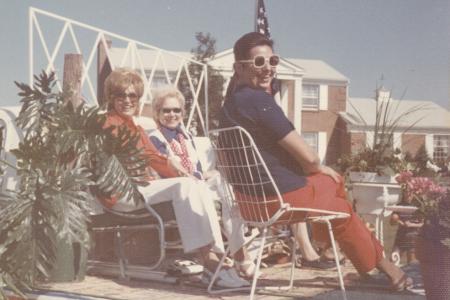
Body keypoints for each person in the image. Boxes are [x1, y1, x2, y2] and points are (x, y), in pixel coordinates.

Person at [219, 32, 413, 291]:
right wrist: (318, 166)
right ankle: (386, 269)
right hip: (275, 200)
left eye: (273, 61)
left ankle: (332, 251)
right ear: (239, 68)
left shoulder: (230, 106)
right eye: (258, 63)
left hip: (247, 200)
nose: (268, 69)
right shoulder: (259, 102)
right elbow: (310, 158)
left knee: (334, 188)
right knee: (339, 202)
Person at [99, 68, 247, 287]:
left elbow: (155, 158)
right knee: (186, 187)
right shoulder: (105, 124)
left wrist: (179, 169)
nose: (128, 100)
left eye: (133, 95)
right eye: (121, 95)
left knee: (192, 184)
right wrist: (173, 171)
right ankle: (209, 261)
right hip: (121, 192)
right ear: (111, 98)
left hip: (139, 188)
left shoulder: (134, 127)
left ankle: (214, 258)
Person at [147, 85, 259, 278]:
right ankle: (220, 256)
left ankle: (240, 252)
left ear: (183, 112)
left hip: (197, 183)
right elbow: (167, 170)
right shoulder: (155, 138)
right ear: (157, 113)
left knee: (226, 187)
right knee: (206, 189)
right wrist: (196, 176)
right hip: (179, 189)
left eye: (176, 110)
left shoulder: (186, 136)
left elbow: (196, 167)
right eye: (166, 110)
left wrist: (208, 173)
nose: (172, 114)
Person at [390, 198, 423, 265]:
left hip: (413, 239)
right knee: (392, 263)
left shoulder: (418, 204)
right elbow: (391, 223)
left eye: (410, 192)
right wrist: (397, 221)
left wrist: (411, 224)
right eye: (406, 192)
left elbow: (423, 224)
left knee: (412, 265)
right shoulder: (399, 205)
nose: (408, 194)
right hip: (400, 238)